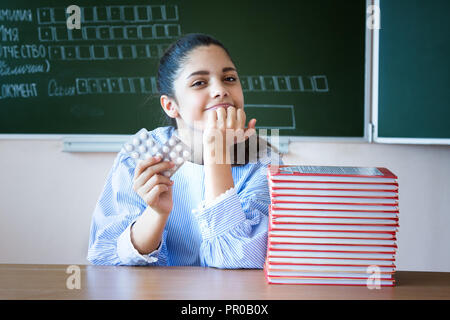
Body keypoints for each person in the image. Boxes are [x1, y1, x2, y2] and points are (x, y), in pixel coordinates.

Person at [87, 33, 282, 268]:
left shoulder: (264, 161)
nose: (221, 90)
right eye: (199, 83)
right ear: (171, 105)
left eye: (229, 78)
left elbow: (240, 258)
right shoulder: (143, 153)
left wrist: (216, 156)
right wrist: (156, 213)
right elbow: (106, 256)